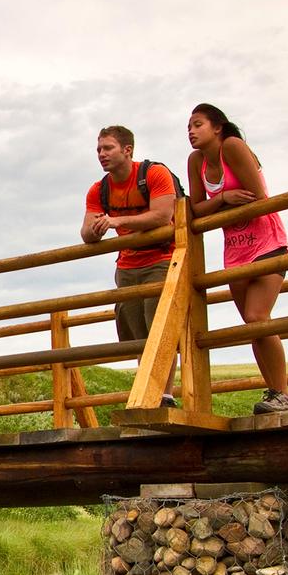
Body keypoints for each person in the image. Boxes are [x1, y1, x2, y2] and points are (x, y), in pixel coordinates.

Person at [185, 103, 288, 414]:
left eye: (198, 125)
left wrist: (218, 206)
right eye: (189, 128)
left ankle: (283, 393)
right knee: (249, 324)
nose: (191, 132)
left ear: (217, 127)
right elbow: (194, 209)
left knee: (258, 316)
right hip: (235, 249)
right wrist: (222, 198)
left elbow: (257, 195)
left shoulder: (232, 147)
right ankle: (274, 392)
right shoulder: (196, 161)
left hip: (267, 241)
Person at [81, 124, 178, 405]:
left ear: (127, 150)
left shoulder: (153, 174)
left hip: (161, 259)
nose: (101, 154)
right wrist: (96, 229)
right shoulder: (99, 190)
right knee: (137, 333)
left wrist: (117, 221)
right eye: (98, 149)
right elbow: (86, 234)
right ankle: (150, 392)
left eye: (108, 148)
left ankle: (165, 394)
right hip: (127, 265)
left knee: (159, 327)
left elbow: (162, 216)